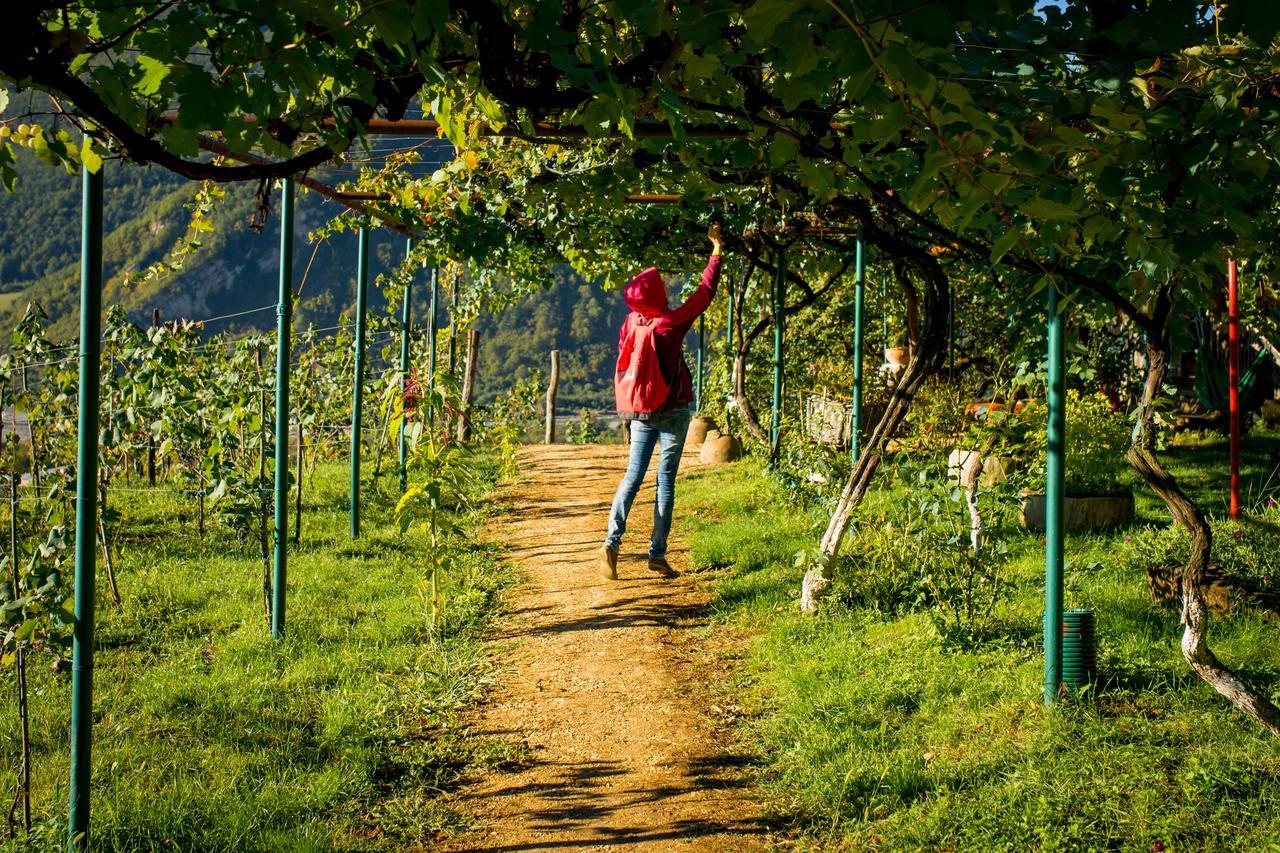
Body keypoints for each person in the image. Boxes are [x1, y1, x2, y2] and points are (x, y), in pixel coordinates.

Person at [600, 223, 723, 579]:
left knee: (633, 475)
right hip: (674, 410)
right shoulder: (670, 323)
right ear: (655, 294)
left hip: (640, 410)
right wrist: (716, 251)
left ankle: (612, 540)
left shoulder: (631, 323)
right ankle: (657, 554)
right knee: (665, 481)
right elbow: (704, 294)